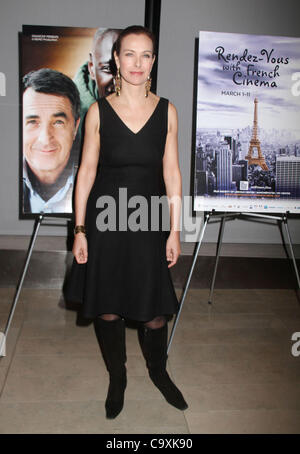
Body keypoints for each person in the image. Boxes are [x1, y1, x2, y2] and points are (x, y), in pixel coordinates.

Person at [70, 25, 188, 419]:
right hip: (105, 221)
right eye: (130, 54)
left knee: (154, 310)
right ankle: (117, 377)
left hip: (149, 222)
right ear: (117, 60)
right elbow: (86, 172)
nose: (138, 63)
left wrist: (175, 228)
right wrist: (80, 230)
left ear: (153, 61)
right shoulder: (97, 112)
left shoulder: (167, 110)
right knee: (108, 307)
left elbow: (172, 172)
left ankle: (159, 371)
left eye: (147, 55)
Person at [22, 68, 80, 214]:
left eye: (58, 122)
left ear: (75, 127)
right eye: (33, 122)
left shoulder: (101, 182)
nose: (45, 139)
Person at [73, 28, 120, 132]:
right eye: (107, 69)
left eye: (127, 70)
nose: (118, 82)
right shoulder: (69, 115)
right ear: (91, 69)